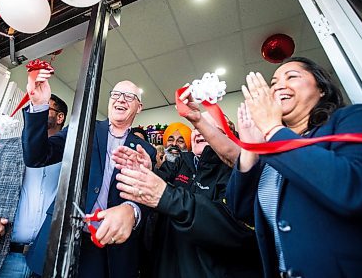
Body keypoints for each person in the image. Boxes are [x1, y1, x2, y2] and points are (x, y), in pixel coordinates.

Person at [223, 57, 362, 277]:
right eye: (273, 83)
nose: (279, 86)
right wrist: (250, 147)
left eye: (292, 77)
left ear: (321, 88)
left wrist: (273, 130)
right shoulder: (271, 152)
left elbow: (358, 189)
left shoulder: (357, 117)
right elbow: (240, 210)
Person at [21, 68, 156, 278]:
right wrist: (39, 105)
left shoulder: (146, 150)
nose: (121, 99)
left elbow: (148, 199)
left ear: (139, 107)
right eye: (116, 94)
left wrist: (133, 210)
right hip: (61, 236)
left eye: (130, 96)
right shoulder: (82, 128)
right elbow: (37, 156)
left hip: (106, 247)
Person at [111, 112, 262, 277]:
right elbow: (157, 189)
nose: (198, 131)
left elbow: (232, 228)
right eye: (195, 128)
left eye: (205, 126)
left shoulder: (236, 172)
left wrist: (166, 196)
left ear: (226, 136)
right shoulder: (179, 161)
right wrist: (146, 172)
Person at [0, 94, 68, 278]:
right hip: (0, 256)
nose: (38, 110)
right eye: (35, 106)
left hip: (48, 262)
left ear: (60, 117)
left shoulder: (73, 159)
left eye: (44, 107)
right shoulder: (4, 147)